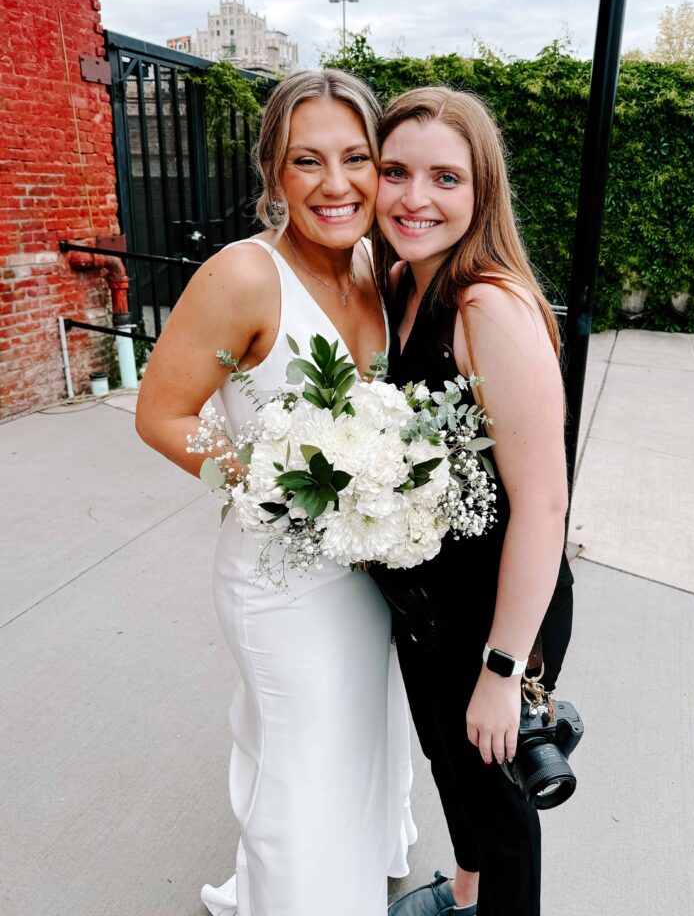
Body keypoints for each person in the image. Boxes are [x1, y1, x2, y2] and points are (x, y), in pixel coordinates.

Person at [135, 69, 415, 916]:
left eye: (356, 158)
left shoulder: (375, 262)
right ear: (274, 174)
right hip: (281, 580)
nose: (336, 185)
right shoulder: (243, 277)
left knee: (356, 744)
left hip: (369, 572)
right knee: (304, 768)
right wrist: (273, 485)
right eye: (307, 162)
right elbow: (161, 413)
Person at [371, 87, 574, 916]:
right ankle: (460, 897)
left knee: (501, 807)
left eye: (445, 178)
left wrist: (502, 670)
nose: (416, 198)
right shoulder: (399, 281)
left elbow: (546, 507)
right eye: (396, 171)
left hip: (497, 613)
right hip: (426, 602)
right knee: (448, 765)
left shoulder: (486, 304)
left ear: (482, 191)